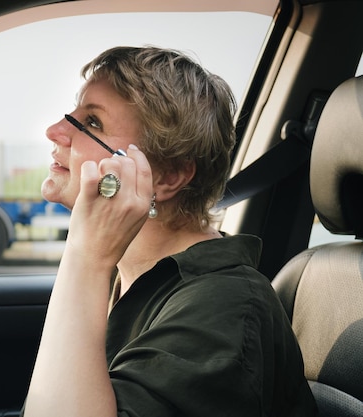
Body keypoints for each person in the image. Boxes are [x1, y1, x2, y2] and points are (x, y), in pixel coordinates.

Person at [23, 46, 317, 416]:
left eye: (93, 123)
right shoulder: (128, 274)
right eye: (74, 113)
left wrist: (87, 256)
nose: (55, 131)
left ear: (169, 176)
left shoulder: (226, 306)